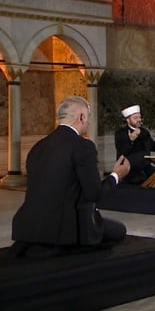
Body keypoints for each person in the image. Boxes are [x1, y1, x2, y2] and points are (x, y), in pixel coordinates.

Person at [10, 96, 130, 258]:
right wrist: (116, 175)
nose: (88, 122)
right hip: (64, 228)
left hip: (29, 226)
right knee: (118, 230)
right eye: (88, 117)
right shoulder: (83, 146)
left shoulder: (39, 146)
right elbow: (94, 194)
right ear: (81, 117)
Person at [114, 104, 155, 184]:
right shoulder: (121, 133)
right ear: (128, 120)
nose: (139, 120)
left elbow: (153, 146)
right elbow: (123, 151)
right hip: (130, 168)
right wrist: (131, 140)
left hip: (145, 166)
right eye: (135, 118)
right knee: (140, 181)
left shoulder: (144, 132)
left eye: (139, 117)